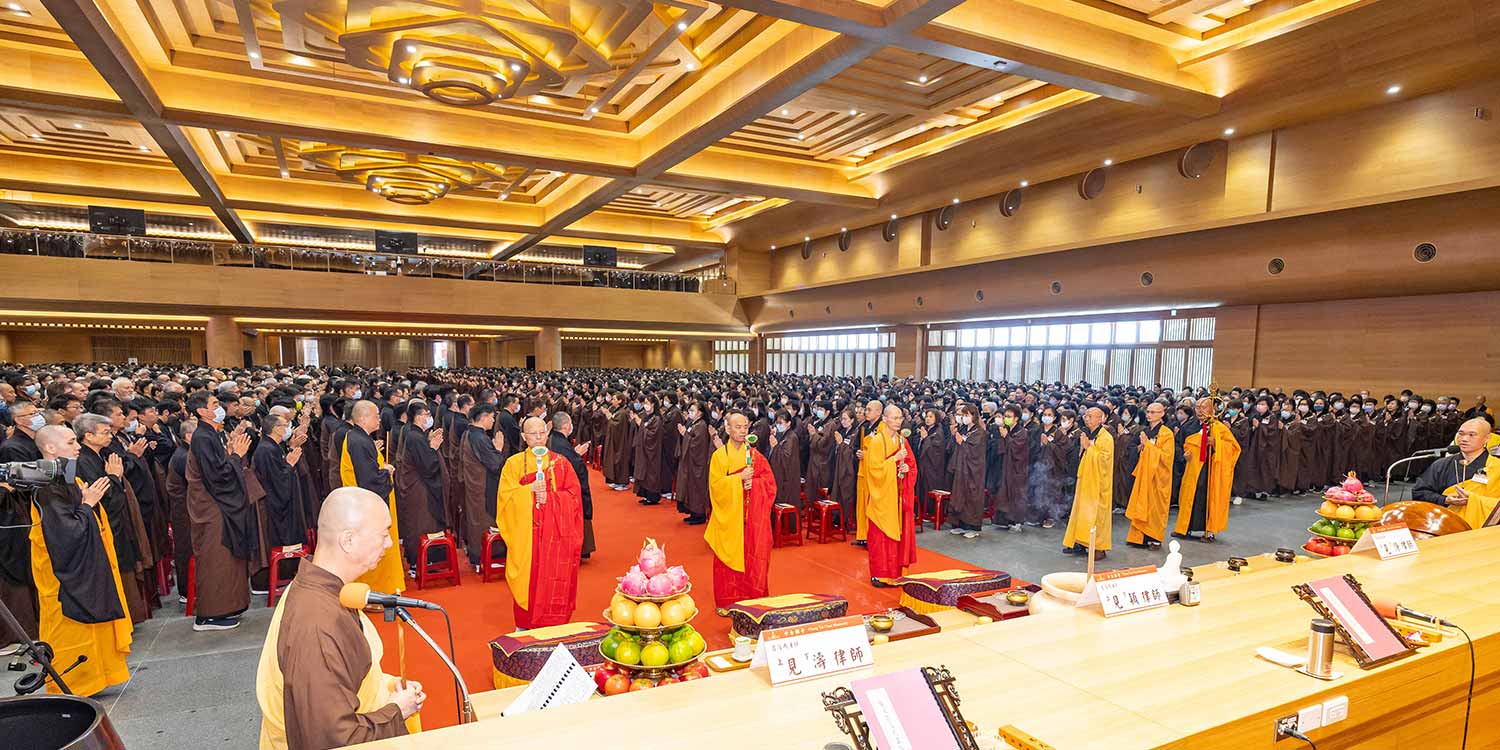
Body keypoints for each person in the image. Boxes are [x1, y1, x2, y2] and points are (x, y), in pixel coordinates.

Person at [255, 487, 425, 750]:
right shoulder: (316, 624)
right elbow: (330, 737)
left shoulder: (325, 587)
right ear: (348, 540)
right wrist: (396, 710)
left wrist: (389, 687)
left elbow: (343, 679)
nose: (390, 543)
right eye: (383, 534)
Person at [26, 424, 130, 696]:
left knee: (91, 627)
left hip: (83, 565)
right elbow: (65, 535)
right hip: (64, 576)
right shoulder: (47, 487)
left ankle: (97, 675)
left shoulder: (68, 479)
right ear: (50, 448)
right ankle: (75, 681)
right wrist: (88, 505)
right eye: (71, 442)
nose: (77, 447)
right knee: (70, 625)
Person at [496, 417, 584, 629]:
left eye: (542, 433)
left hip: (555, 537)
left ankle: (555, 624)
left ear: (547, 434)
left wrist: (551, 500)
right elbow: (505, 500)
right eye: (532, 434)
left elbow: (574, 497)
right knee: (530, 582)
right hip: (527, 536)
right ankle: (525, 625)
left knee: (555, 581)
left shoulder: (561, 463)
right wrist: (530, 492)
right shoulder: (513, 464)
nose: (538, 438)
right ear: (524, 437)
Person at [186, 391, 256, 630]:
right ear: (202, 411)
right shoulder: (202, 438)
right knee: (217, 559)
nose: (220, 407)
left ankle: (228, 607)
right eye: (214, 404)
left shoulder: (211, 434)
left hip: (220, 505)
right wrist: (236, 456)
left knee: (227, 561)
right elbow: (218, 476)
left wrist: (230, 453)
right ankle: (208, 615)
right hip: (212, 508)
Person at [705, 411, 775, 613]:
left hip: (751, 519)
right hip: (729, 518)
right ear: (727, 429)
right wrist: (738, 480)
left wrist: (753, 483)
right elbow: (715, 487)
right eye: (738, 427)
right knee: (726, 563)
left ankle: (752, 599)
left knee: (753, 558)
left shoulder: (754, 456)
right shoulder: (719, 456)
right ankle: (727, 603)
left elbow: (770, 484)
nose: (742, 430)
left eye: (745, 426)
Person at [339, 401, 404, 595]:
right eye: (376, 415)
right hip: (366, 505)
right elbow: (369, 480)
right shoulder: (358, 441)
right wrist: (386, 471)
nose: (379, 419)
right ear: (363, 418)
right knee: (373, 549)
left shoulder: (360, 438)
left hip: (365, 502)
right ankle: (375, 592)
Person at [1, 398, 44, 640]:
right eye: (33, 413)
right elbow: (24, 482)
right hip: (21, 512)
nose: (38, 415)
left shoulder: (32, 440)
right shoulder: (12, 447)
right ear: (19, 420)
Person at [1174, 397, 1241, 542]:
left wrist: (1216, 442)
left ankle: (1209, 531)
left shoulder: (1219, 427)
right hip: (1191, 469)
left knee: (1207, 496)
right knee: (1188, 496)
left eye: (1203, 407)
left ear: (1212, 409)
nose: (1199, 411)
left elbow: (1234, 448)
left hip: (1210, 469)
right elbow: (1177, 444)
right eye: (1197, 407)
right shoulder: (1188, 426)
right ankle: (1184, 528)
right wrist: (1183, 455)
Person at [1411, 417, 1499, 528]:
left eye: (1472, 435)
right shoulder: (1441, 464)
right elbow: (1419, 492)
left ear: (1487, 438)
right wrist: (1445, 499)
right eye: (1461, 434)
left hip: (1485, 531)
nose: (1464, 439)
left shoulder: (1497, 467)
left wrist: (1474, 500)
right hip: (1443, 526)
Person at [864, 405, 918, 585]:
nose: (898, 421)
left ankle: (895, 574)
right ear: (885, 419)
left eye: (900, 417)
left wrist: (906, 467)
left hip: (897, 496)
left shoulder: (902, 440)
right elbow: (873, 470)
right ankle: (879, 574)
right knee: (880, 538)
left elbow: (911, 464)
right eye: (894, 418)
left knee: (897, 538)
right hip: (883, 497)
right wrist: (893, 461)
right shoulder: (877, 441)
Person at [394, 401, 446, 570]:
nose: (429, 418)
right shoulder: (415, 437)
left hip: (418, 487)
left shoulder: (416, 434)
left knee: (419, 522)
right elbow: (429, 467)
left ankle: (421, 562)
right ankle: (421, 563)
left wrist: (429, 443)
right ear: (418, 417)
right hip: (420, 489)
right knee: (422, 523)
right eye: (427, 415)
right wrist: (433, 448)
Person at [459, 403, 506, 571]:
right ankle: (486, 558)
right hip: (483, 487)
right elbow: (494, 464)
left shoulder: (469, 432)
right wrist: (499, 449)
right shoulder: (479, 437)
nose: (493, 421)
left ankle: (477, 556)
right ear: (484, 417)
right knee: (484, 520)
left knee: (475, 519)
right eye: (492, 417)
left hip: (474, 484)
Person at [1062, 407, 1114, 560]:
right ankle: (1080, 542)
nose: (1087, 418)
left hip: (1098, 482)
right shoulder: (1086, 433)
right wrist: (1085, 449)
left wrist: (1088, 448)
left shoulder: (1106, 438)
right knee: (1081, 511)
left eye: (1091, 416)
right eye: (1086, 415)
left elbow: (1105, 460)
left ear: (1101, 419)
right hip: (1085, 479)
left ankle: (1098, 548)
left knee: (1096, 514)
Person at [1125, 402, 1174, 549]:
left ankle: (1155, 539)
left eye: (1153, 412)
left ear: (1162, 414)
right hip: (1144, 474)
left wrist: (1149, 446)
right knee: (1142, 504)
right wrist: (1141, 447)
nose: (1149, 415)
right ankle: (1138, 536)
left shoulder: (1166, 434)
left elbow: (1167, 457)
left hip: (1158, 477)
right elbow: (1134, 449)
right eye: (1148, 412)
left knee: (1155, 509)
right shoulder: (1144, 431)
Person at [548, 412, 596, 559]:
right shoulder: (561, 443)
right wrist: (577, 458)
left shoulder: (554, 439)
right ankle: (576, 549)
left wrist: (574, 454)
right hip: (566, 491)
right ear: (566, 426)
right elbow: (573, 465)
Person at [947, 405, 988, 538]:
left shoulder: (979, 432)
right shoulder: (964, 429)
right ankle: (960, 524)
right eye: (962, 415)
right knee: (959, 494)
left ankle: (973, 527)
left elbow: (975, 452)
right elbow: (953, 448)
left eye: (966, 415)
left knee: (972, 496)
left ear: (974, 416)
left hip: (973, 470)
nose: (964, 418)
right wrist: (955, 438)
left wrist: (962, 443)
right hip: (961, 469)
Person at [675, 401, 712, 525]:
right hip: (690, 462)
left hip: (697, 463)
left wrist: (685, 434)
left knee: (696, 488)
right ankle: (692, 512)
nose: (690, 412)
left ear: (700, 412)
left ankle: (699, 514)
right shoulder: (694, 423)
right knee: (689, 487)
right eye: (689, 410)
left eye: (693, 410)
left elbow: (696, 445)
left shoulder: (701, 425)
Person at [767, 409, 803, 509]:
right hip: (780, 476)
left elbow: (786, 459)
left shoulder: (791, 437)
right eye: (777, 423)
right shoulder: (781, 435)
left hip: (787, 478)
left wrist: (775, 447)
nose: (778, 425)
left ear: (788, 423)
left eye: (780, 423)